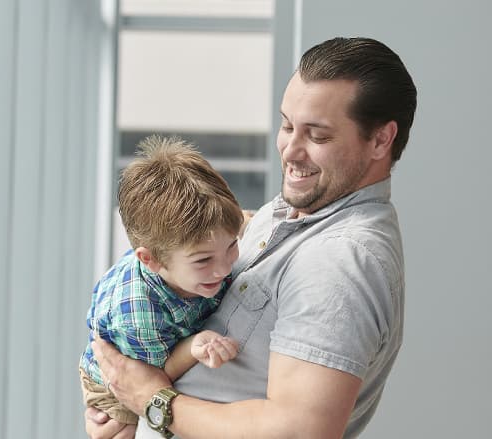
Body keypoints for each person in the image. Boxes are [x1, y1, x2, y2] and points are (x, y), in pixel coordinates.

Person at [86, 36, 417, 439]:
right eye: (287, 125)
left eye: (317, 136)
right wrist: (115, 399)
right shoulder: (283, 214)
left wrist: (149, 401)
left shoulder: (341, 259)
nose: (290, 150)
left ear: (381, 140)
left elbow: (297, 432)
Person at [79, 135, 244, 429]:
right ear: (151, 260)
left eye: (232, 245)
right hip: (121, 373)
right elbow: (149, 379)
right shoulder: (139, 316)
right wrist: (194, 345)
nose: (223, 268)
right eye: (203, 260)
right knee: (119, 429)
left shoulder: (201, 242)